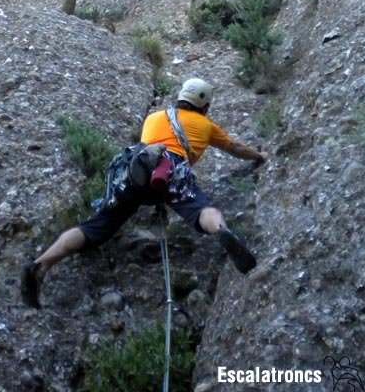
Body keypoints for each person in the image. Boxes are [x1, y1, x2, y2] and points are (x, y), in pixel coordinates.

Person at [21, 78, 266, 309]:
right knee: (201, 208)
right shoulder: (206, 125)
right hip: (171, 171)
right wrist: (260, 156)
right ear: (205, 105)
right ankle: (221, 230)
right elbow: (235, 148)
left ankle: (41, 264)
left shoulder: (154, 116)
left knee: (96, 225)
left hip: (135, 170)